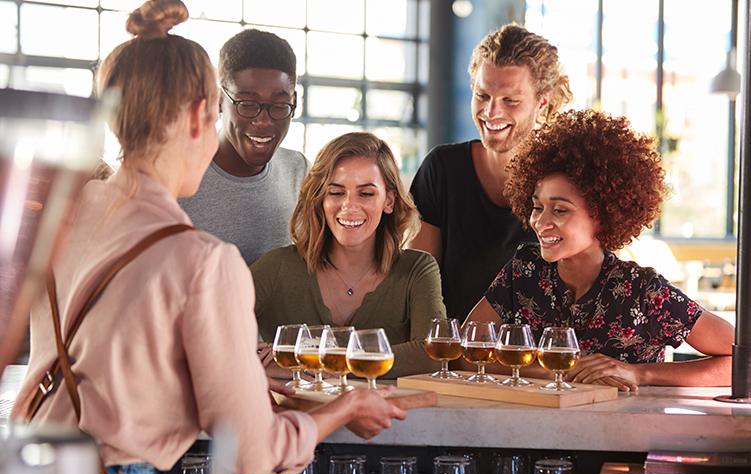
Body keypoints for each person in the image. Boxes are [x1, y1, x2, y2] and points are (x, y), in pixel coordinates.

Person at [9, 2, 405, 474]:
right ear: (205, 112)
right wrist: (344, 409)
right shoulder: (204, 262)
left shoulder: (65, 211)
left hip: (31, 465)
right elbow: (254, 451)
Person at [461, 109, 734, 391]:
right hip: (535, 429)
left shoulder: (642, 290)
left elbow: (741, 361)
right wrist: (559, 371)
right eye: (537, 207)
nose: (540, 222)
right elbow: (465, 353)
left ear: (603, 214)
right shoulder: (524, 271)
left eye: (559, 210)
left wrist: (640, 374)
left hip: (624, 431)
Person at [408, 24, 573, 321]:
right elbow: (419, 281)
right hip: (453, 355)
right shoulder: (442, 169)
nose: (491, 112)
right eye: (482, 95)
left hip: (537, 360)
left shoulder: (570, 181)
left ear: (542, 102)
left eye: (511, 100)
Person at [250, 132, 446, 379]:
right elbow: (205, 329)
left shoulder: (418, 269)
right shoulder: (277, 267)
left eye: (366, 194)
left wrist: (307, 361)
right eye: (336, 192)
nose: (349, 206)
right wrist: (253, 358)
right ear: (320, 198)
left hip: (392, 418)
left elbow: (430, 354)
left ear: (389, 201)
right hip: (299, 417)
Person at [178, 28, 308, 266]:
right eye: (247, 104)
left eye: (279, 105)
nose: (264, 121)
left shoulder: (299, 172)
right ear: (219, 100)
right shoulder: (177, 178)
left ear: (294, 102)